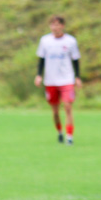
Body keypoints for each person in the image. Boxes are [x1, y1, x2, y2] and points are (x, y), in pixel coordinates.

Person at [34, 15, 81, 145]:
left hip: (67, 79)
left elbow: (76, 60)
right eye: (53, 24)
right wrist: (39, 75)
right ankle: (60, 132)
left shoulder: (71, 41)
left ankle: (69, 136)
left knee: (67, 107)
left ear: (62, 26)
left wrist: (77, 77)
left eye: (58, 24)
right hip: (51, 80)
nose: (55, 27)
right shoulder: (45, 41)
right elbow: (41, 59)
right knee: (55, 111)